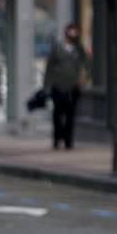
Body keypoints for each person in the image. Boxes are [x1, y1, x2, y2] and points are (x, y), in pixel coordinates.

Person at [44, 22, 88, 150]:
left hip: (73, 87)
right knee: (57, 113)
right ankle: (57, 138)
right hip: (57, 86)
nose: (73, 34)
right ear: (66, 32)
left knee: (70, 114)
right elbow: (49, 67)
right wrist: (47, 85)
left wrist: (84, 79)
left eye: (76, 31)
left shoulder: (79, 49)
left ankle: (68, 140)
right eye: (71, 31)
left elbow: (87, 65)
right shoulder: (57, 47)